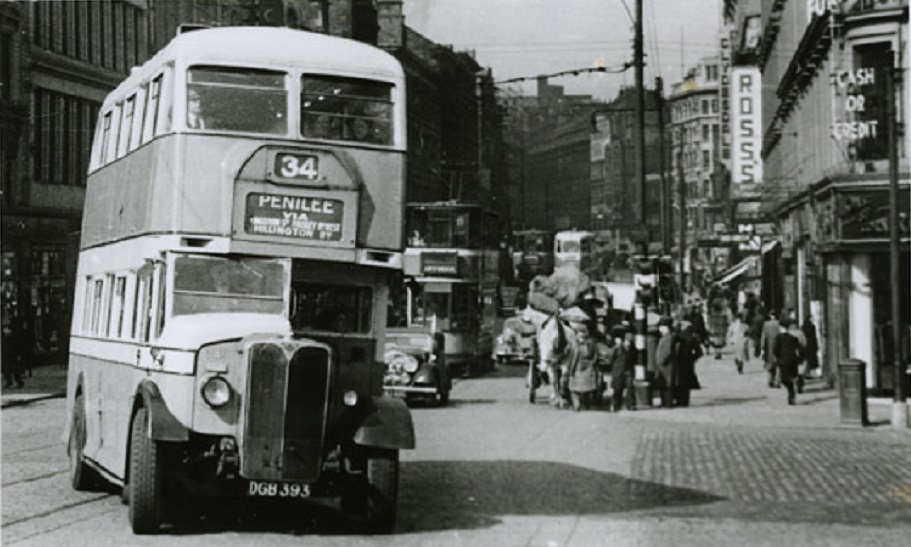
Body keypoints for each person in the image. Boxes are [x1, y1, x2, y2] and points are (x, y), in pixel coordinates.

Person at [773, 318, 804, 405]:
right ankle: (793, 392)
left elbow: (775, 349)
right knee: (792, 376)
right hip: (793, 360)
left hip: (783, 361)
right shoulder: (793, 338)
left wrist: (777, 357)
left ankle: (791, 392)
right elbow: (800, 349)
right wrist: (800, 358)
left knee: (784, 379)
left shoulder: (778, 338)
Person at [673, 320, 704, 407]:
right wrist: (692, 358)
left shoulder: (678, 337)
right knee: (687, 382)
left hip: (679, 360)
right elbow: (699, 352)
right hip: (688, 362)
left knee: (678, 380)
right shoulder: (692, 338)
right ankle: (685, 400)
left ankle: (678, 399)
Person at [608, 325, 635, 411]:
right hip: (618, 371)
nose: (629, 343)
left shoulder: (632, 349)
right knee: (617, 389)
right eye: (628, 341)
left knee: (630, 387)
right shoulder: (617, 348)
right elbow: (611, 358)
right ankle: (616, 404)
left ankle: (629, 404)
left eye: (630, 342)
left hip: (628, 371)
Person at [654, 316, 677, 408]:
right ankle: (665, 402)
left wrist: (661, 361)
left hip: (666, 366)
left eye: (661, 327)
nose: (659, 329)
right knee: (663, 384)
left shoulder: (668, 338)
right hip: (664, 365)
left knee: (667, 385)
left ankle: (668, 403)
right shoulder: (666, 337)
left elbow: (667, 351)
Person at [760, 309, 781, 388]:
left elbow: (763, 337)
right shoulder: (779, 324)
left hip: (769, 347)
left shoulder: (766, 324)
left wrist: (762, 347)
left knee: (769, 365)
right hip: (778, 346)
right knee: (778, 365)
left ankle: (770, 380)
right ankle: (777, 381)